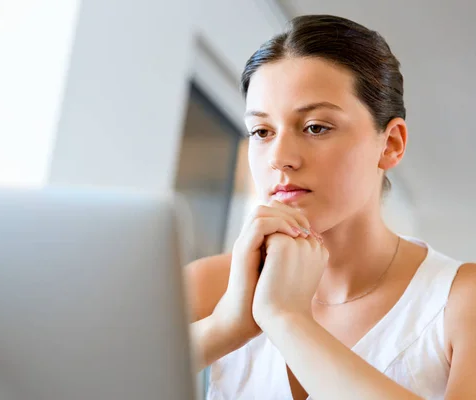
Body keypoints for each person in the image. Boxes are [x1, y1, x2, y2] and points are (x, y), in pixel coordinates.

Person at [187, 15, 476, 400]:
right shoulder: (211, 287)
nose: (280, 158)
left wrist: (286, 320)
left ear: (390, 144)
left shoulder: (460, 301)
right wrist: (224, 327)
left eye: (316, 127)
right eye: (262, 132)